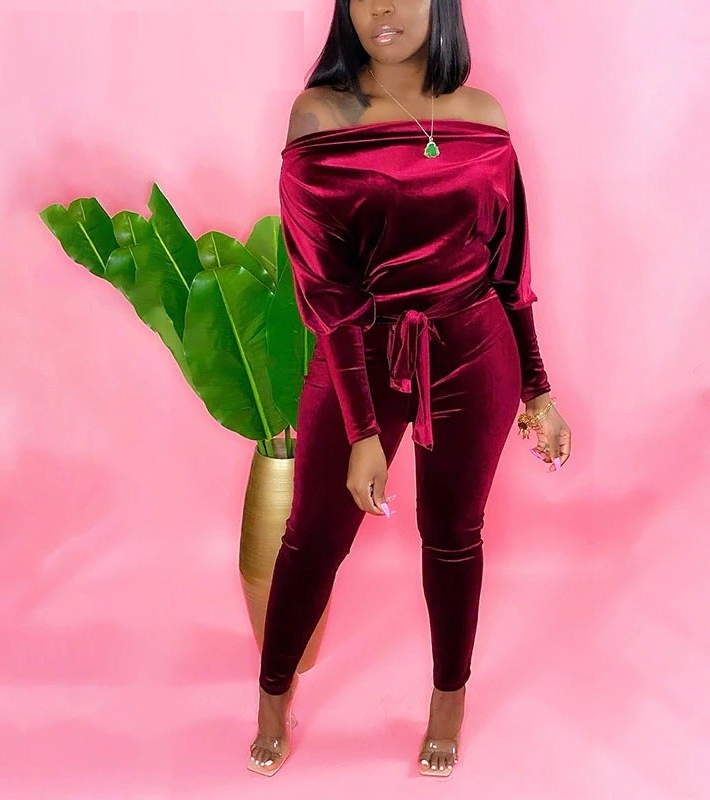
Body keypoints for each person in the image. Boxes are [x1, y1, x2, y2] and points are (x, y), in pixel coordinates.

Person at [248, 0, 572, 778]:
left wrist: (538, 389)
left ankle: (447, 701)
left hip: (475, 346)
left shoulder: (482, 115)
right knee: (313, 534)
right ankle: (272, 697)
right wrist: (364, 431)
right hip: (360, 350)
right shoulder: (317, 116)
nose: (383, 9)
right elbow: (328, 293)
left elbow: (510, 269)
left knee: (455, 534)